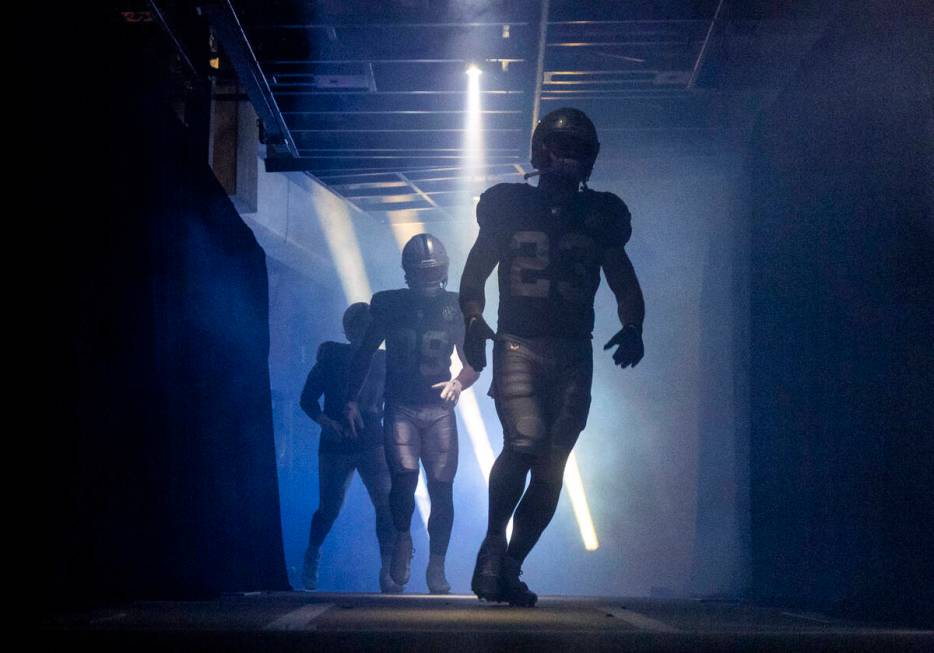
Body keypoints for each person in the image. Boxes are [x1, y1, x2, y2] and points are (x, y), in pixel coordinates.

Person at [459, 107, 646, 606]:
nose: (572, 161)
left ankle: (510, 565)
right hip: (519, 343)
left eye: (581, 152)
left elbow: (623, 279)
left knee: (551, 466)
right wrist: (473, 319)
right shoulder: (509, 205)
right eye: (564, 149)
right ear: (541, 152)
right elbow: (475, 273)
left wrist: (634, 325)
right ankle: (493, 545)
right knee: (524, 442)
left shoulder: (599, 215)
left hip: (572, 350)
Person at [344, 234, 480, 594]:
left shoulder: (454, 307)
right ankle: (403, 540)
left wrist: (459, 383)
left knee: (441, 489)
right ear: (407, 273)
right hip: (401, 405)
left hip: (438, 408)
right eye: (421, 272)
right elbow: (364, 353)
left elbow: (473, 363)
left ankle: (437, 565)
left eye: (432, 271)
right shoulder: (388, 304)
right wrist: (350, 399)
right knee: (404, 481)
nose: (427, 278)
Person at [299, 302, 399, 593]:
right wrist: (325, 421)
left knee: (386, 505)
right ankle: (313, 553)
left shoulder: (384, 360)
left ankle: (388, 570)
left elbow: (395, 396)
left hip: (372, 441)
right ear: (348, 330)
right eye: (358, 327)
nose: (363, 333)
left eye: (368, 328)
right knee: (329, 508)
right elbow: (307, 399)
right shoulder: (332, 357)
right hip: (337, 442)